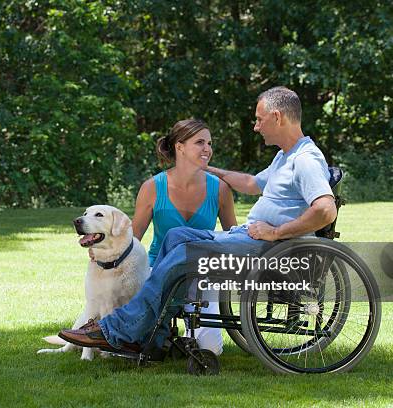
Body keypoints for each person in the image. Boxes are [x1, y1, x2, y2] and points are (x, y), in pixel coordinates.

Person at [59, 86, 337, 354]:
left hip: (273, 250)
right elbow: (252, 183)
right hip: (251, 239)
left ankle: (116, 330)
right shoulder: (284, 157)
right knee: (176, 235)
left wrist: (276, 232)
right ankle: (154, 333)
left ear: (277, 117)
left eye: (259, 119)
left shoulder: (306, 160)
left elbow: (326, 209)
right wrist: (206, 166)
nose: (256, 126)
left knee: (184, 252)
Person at [132, 118, 236, 355]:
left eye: (209, 143)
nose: (207, 149)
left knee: (211, 350)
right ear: (179, 147)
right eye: (200, 142)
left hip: (201, 276)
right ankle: (164, 332)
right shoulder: (152, 187)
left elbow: (232, 238)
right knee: (141, 344)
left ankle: (172, 333)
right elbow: (134, 238)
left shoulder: (220, 189)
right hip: (159, 271)